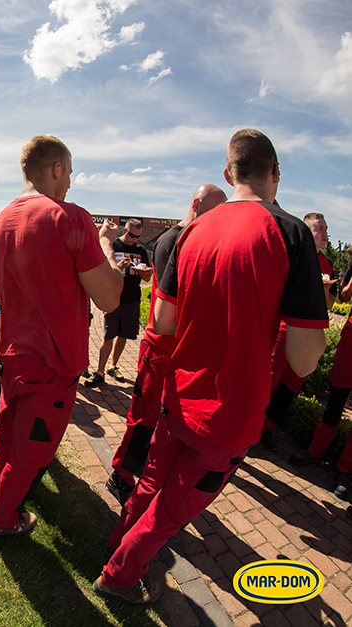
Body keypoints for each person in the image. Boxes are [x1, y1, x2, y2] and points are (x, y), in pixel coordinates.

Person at [95, 129, 328, 606]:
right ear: (276, 174)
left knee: (151, 487)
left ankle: (117, 544)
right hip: (229, 413)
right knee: (171, 511)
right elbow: (303, 358)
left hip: (178, 394)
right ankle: (118, 577)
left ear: (229, 173)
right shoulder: (291, 233)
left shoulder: (192, 230)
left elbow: (162, 321)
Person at [0, 135, 123, 538]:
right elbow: (109, 298)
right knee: (30, 453)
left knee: (5, 437)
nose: (69, 182)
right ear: (56, 169)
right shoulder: (68, 216)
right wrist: (105, 243)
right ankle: (1, 520)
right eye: (68, 173)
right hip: (52, 361)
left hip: (11, 352)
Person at [106, 184, 227, 504]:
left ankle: (142, 472)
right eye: (218, 210)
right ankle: (121, 474)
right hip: (160, 350)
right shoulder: (172, 240)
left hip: (180, 350)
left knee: (162, 423)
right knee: (143, 419)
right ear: (197, 204)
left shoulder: (196, 238)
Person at [261, 213, 338, 446]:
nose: (325, 234)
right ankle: (249, 425)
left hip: (310, 333)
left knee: (290, 386)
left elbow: (329, 305)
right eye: (319, 229)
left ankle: (267, 428)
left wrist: (324, 289)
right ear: (306, 231)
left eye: (325, 229)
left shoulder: (327, 265)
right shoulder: (290, 256)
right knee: (268, 381)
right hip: (284, 330)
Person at [289, 250, 352, 500]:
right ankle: (314, 452)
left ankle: (345, 470)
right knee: (334, 404)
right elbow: (344, 296)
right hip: (350, 340)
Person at [85, 219, 152, 386]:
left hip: (132, 299)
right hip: (114, 298)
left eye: (137, 237)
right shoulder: (113, 245)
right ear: (124, 231)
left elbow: (147, 277)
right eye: (131, 235)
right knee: (108, 335)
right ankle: (100, 371)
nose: (134, 239)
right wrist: (119, 267)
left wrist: (140, 271)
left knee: (124, 335)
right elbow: (103, 271)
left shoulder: (141, 250)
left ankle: (112, 366)